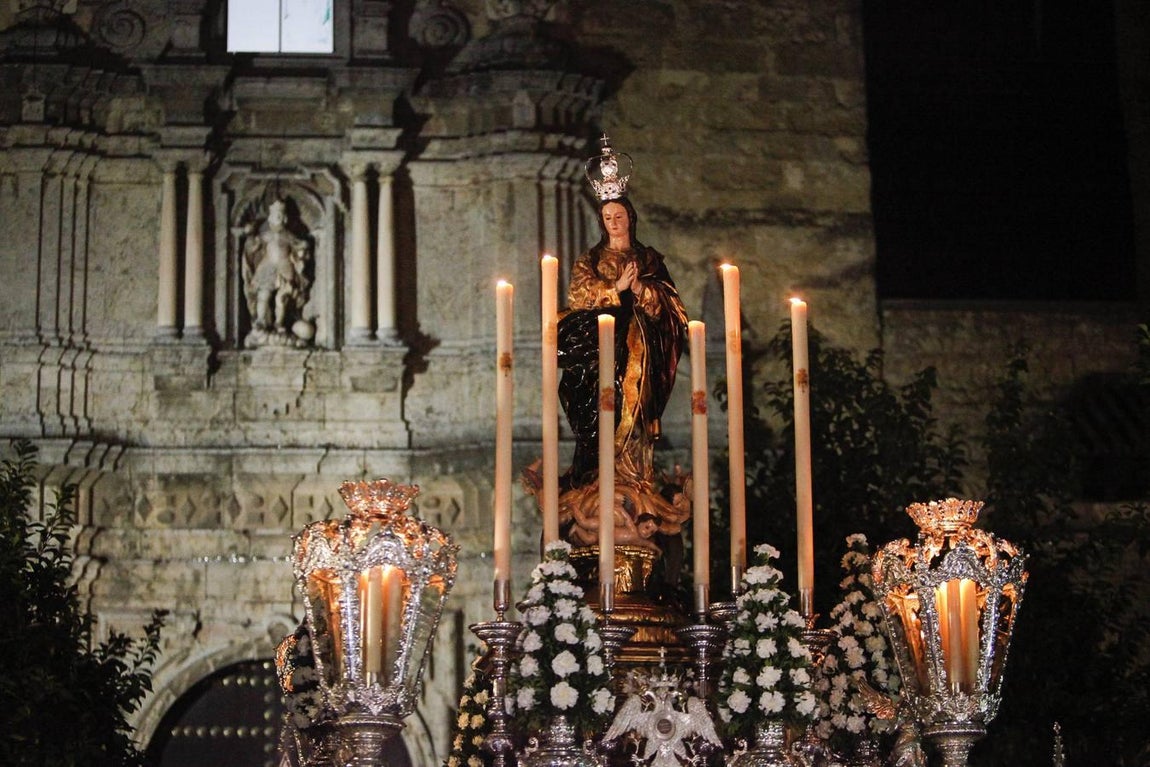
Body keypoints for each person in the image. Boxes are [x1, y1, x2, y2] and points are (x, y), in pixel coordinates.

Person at [555, 139, 690, 550]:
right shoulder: (590, 260)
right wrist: (616, 290)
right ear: (602, 221)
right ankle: (600, 476)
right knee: (600, 411)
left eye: (619, 215)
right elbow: (579, 298)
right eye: (607, 217)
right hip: (602, 353)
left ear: (630, 217)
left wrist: (642, 290)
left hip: (641, 351)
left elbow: (672, 306)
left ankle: (634, 476)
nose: (614, 222)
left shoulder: (648, 259)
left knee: (635, 414)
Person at [242, 199, 312, 344]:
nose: (278, 217)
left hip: (285, 267)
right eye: (276, 215)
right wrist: (250, 235)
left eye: (280, 215)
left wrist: (302, 248)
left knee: (282, 298)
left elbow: (298, 245)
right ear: (270, 217)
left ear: (285, 218)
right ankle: (261, 320)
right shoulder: (265, 234)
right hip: (267, 267)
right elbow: (253, 246)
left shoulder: (288, 235)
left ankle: (279, 323)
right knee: (263, 295)